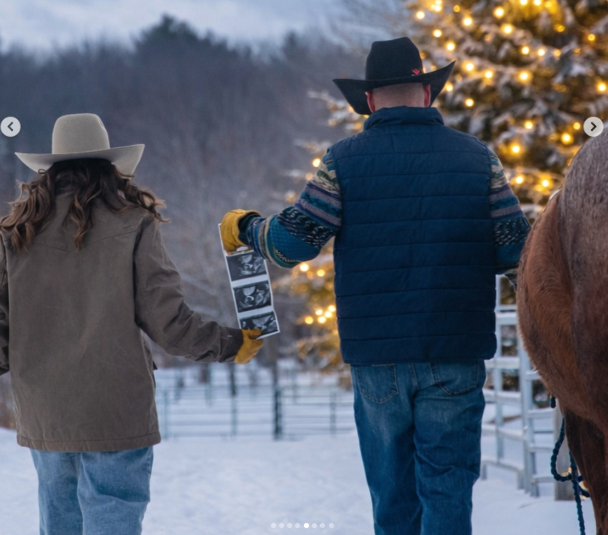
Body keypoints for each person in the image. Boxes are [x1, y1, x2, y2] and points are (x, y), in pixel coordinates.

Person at [220, 36, 530, 535]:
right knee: (447, 489)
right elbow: (517, 251)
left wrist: (247, 229)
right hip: (455, 351)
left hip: (377, 359)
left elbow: (291, 244)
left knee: (392, 497)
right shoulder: (477, 158)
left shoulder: (343, 160)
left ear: (368, 100)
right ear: (426, 93)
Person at [0, 113, 263, 535]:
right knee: (113, 516)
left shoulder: (16, 231)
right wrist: (232, 343)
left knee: (59, 522)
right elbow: (169, 322)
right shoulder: (133, 221)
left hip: (44, 410)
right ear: (112, 167)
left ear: (48, 169)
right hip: (115, 408)